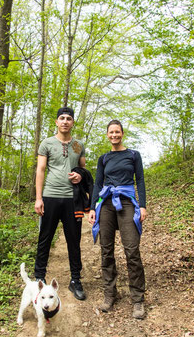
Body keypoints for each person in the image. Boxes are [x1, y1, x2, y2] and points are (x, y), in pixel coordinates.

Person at [88, 119, 147, 318]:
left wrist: (143, 205)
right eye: (111, 132)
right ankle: (110, 294)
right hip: (106, 204)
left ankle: (138, 299)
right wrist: (92, 208)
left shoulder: (133, 155)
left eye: (117, 132)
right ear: (107, 135)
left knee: (132, 249)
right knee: (106, 250)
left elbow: (139, 180)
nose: (114, 135)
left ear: (122, 133)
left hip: (127, 202)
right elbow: (97, 184)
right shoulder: (103, 158)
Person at [34, 107, 87, 300]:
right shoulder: (47, 143)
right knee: (45, 238)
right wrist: (39, 198)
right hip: (50, 196)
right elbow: (40, 170)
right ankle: (39, 279)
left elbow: (83, 170)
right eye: (62, 118)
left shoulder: (78, 145)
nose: (65, 121)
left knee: (74, 241)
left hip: (73, 199)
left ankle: (75, 280)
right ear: (56, 122)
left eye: (69, 118)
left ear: (73, 123)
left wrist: (80, 176)